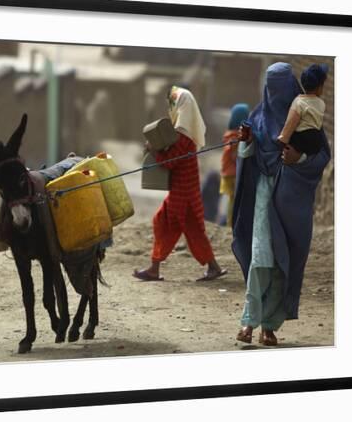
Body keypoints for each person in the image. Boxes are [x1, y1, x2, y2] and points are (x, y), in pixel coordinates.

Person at [232, 62, 330, 346]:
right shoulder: (258, 117)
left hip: (292, 201)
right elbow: (248, 154)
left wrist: (297, 159)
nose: (275, 94)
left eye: (280, 87)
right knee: (262, 257)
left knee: (281, 263)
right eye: (271, 87)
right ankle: (249, 322)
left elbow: (322, 156)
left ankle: (270, 326)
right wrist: (246, 142)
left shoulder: (307, 115)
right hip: (264, 195)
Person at [133, 86, 227, 282]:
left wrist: (154, 150)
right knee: (180, 228)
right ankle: (211, 267)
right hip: (184, 192)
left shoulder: (183, 136)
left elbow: (169, 162)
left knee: (171, 226)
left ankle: (155, 268)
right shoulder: (183, 133)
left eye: (174, 104)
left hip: (183, 194)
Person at [276, 63, 329, 155]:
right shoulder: (322, 104)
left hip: (300, 142)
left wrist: (282, 139)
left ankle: (299, 158)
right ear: (319, 87)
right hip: (316, 144)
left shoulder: (298, 102)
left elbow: (290, 123)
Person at [220, 103, 250, 227]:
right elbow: (234, 156)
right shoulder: (236, 137)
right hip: (233, 173)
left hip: (228, 172)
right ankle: (231, 224)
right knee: (234, 201)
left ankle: (231, 223)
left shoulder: (228, 134)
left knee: (232, 200)